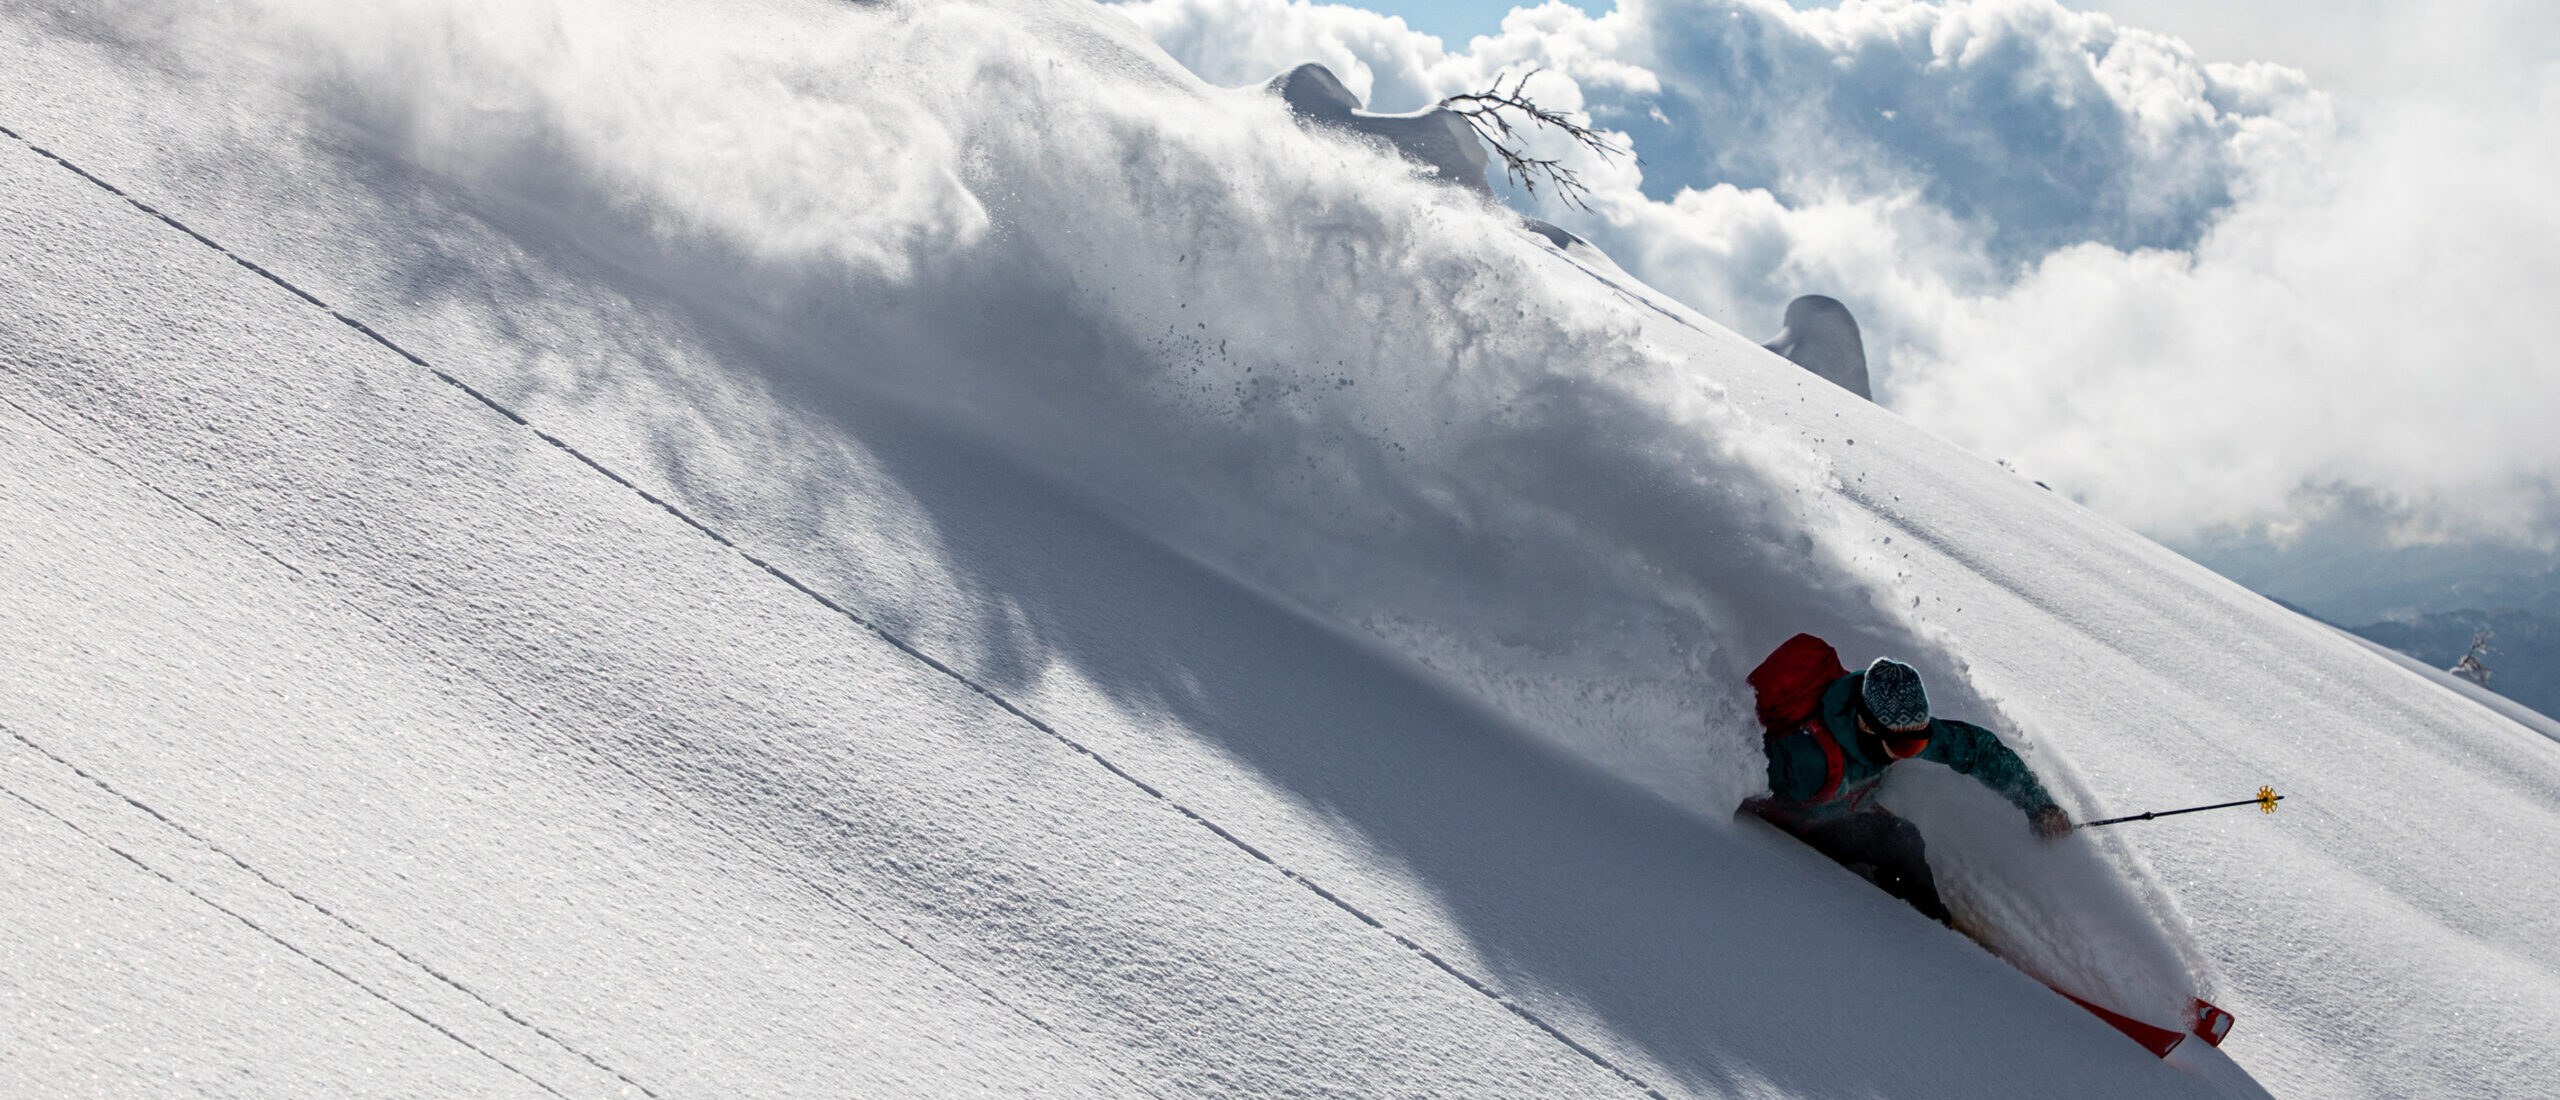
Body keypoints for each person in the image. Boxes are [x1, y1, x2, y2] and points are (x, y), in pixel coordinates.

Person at [1740, 634, 2069, 924]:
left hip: (1847, 807)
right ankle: (1929, 930)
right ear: (1867, 727)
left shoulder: (1899, 728)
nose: (1911, 751)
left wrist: (2039, 806)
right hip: (1802, 823)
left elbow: (1978, 750)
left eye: (1918, 743)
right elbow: (1743, 774)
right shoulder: (1808, 761)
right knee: (1899, 840)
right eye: (1904, 746)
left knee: (1899, 839)